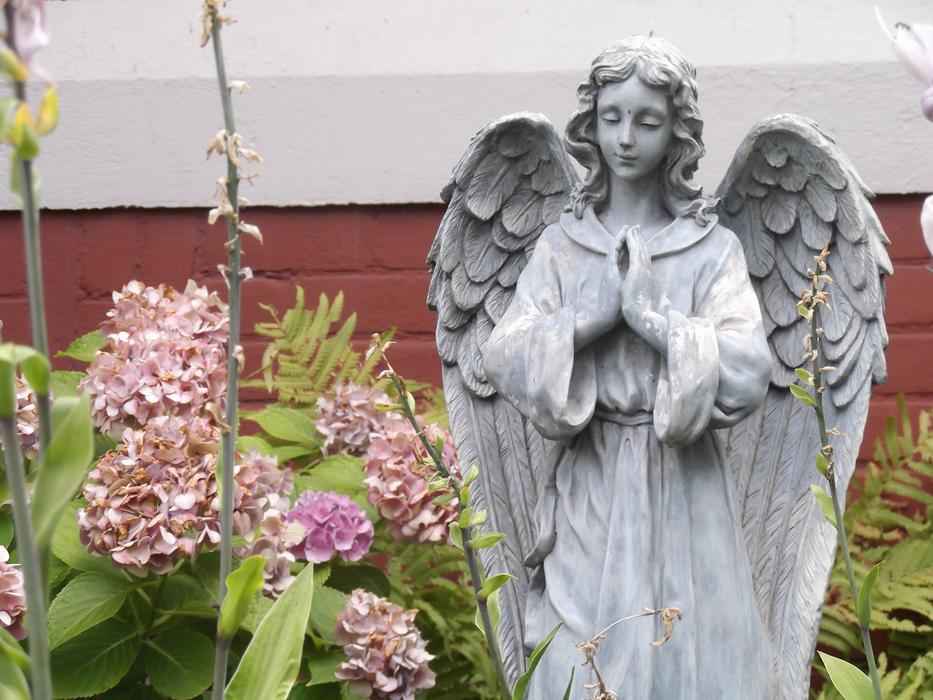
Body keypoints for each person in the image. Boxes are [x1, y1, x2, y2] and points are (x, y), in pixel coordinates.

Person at [482, 36, 774, 698]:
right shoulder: (562, 247)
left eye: (646, 121)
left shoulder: (709, 251)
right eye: (612, 117)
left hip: (684, 488)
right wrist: (589, 319)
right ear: (590, 123)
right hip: (590, 481)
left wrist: (654, 322)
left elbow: (749, 369)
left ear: (677, 133)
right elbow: (502, 355)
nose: (625, 138)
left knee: (682, 661)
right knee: (570, 660)